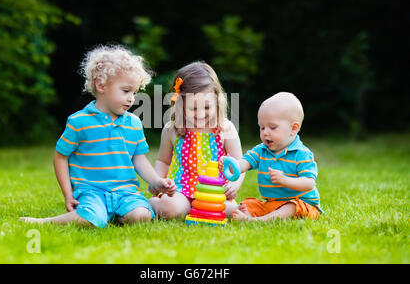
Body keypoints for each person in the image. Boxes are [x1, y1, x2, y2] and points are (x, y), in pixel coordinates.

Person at [20, 45, 175, 227]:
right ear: (101, 85)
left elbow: (139, 159)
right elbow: (61, 157)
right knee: (92, 220)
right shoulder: (79, 122)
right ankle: (44, 222)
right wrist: (68, 194)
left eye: (134, 92)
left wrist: (157, 181)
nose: (131, 98)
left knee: (141, 215)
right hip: (91, 192)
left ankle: (118, 214)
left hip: (125, 192)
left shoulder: (133, 123)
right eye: (126, 91)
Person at [148, 61, 245, 218]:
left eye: (207, 107)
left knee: (231, 211)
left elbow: (240, 164)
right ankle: (156, 204)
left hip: (214, 190)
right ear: (180, 105)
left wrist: (234, 184)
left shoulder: (225, 128)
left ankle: (196, 209)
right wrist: (157, 181)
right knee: (170, 209)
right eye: (193, 108)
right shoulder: (172, 129)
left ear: (217, 102)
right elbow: (163, 161)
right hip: (180, 189)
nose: (200, 115)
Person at [219, 92, 323, 222]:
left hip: (302, 204)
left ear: (293, 128)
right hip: (273, 204)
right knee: (246, 205)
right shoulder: (262, 150)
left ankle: (258, 220)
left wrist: (284, 180)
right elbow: (245, 162)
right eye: (262, 127)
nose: (265, 132)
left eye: (272, 127)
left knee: (291, 207)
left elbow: (309, 183)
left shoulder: (301, 154)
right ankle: (260, 215)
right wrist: (231, 165)